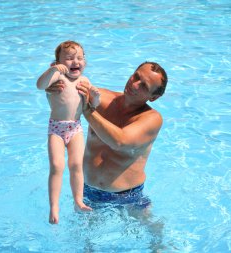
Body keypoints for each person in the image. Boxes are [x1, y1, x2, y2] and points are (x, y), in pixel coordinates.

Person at [48, 61, 167, 209]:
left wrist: (88, 110)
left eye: (144, 86)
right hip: (86, 192)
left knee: (152, 231)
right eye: (136, 77)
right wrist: (55, 83)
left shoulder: (152, 119)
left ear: (153, 97)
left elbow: (119, 141)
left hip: (128, 198)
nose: (135, 84)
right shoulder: (101, 98)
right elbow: (68, 89)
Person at [37, 40, 100, 224]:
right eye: (70, 58)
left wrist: (95, 97)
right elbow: (40, 85)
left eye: (80, 58)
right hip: (56, 128)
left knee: (76, 165)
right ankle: (54, 207)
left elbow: (92, 105)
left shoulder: (85, 81)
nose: (76, 62)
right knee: (57, 166)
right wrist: (53, 70)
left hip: (75, 128)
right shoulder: (56, 79)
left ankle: (78, 201)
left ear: (85, 62)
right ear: (58, 62)